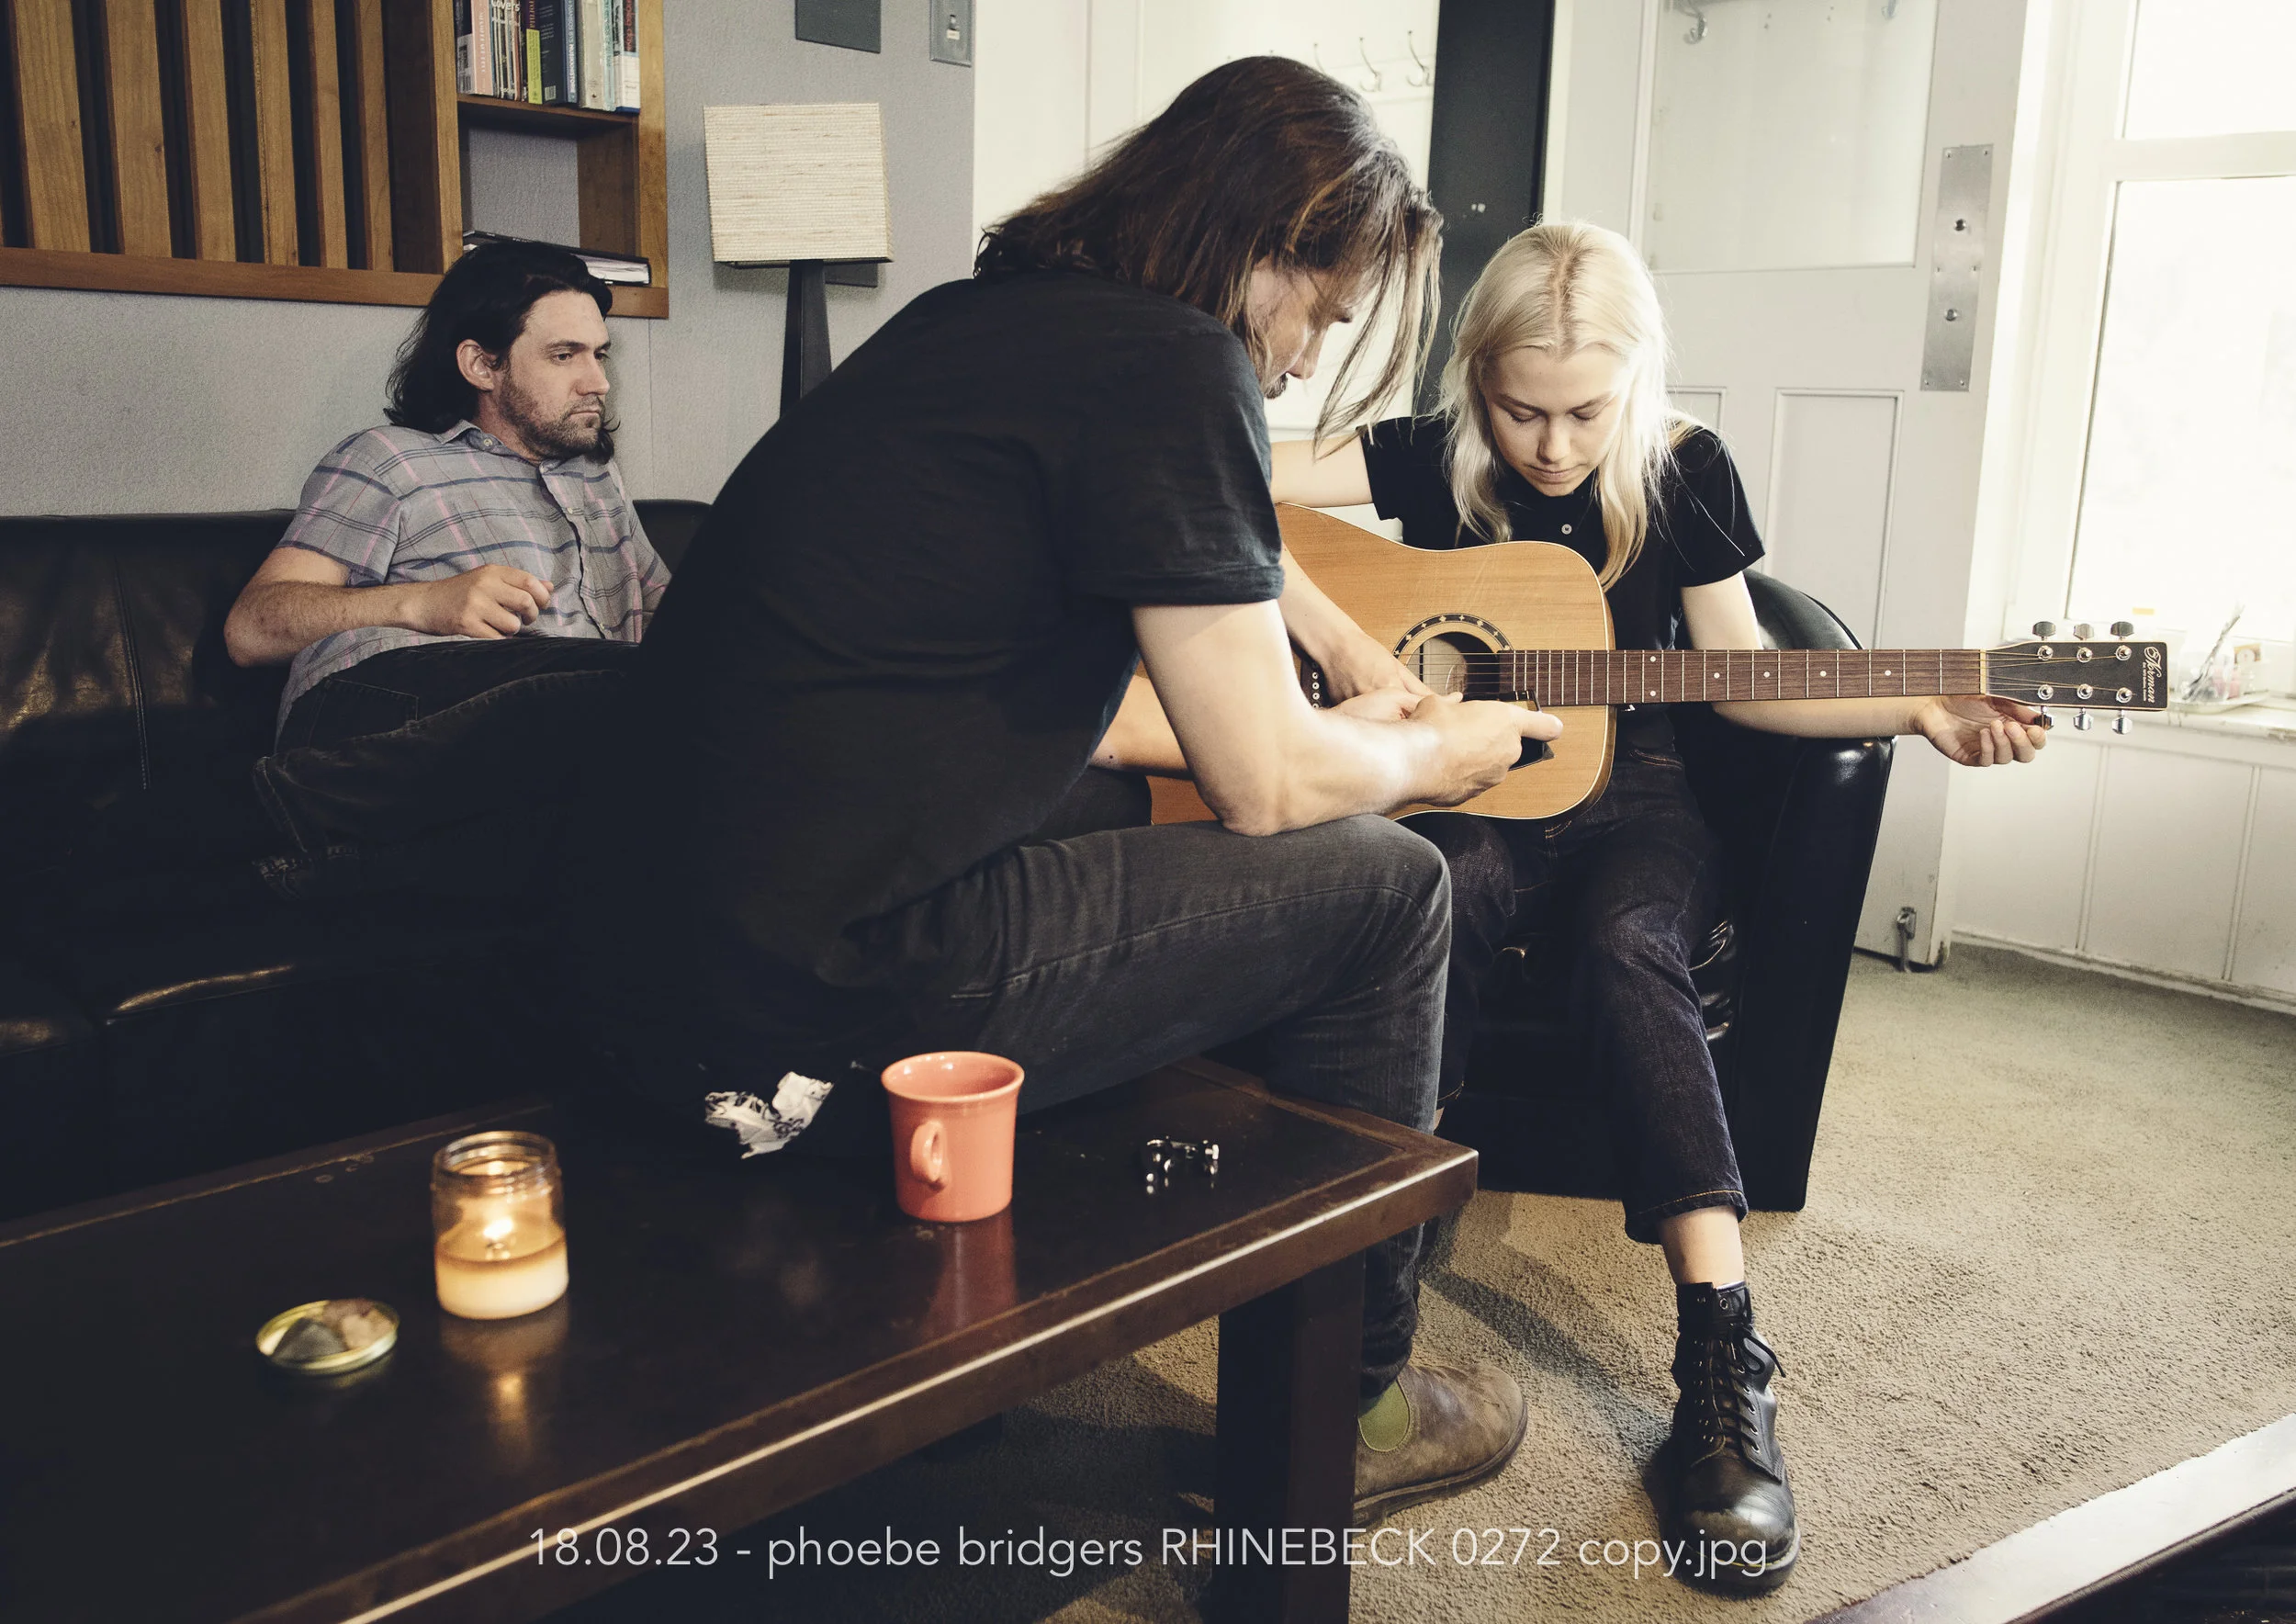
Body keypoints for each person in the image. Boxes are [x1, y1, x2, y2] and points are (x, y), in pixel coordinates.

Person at [600, 58, 1557, 1523]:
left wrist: (1356, 649)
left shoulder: (975, 331)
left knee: (1109, 805)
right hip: (832, 997)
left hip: (669, 963)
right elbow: (1267, 781)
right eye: (1323, 310)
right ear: (1262, 250)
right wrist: (1437, 755)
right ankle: (1350, 1407)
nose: (1303, 362)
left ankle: (941, 1327)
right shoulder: (1177, 366)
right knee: (1387, 884)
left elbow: (1172, 595)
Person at [1266, 220, 2048, 1590]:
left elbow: (1742, 671)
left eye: (1585, 413)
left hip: (1644, 788)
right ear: (1476, 379)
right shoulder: (1428, 451)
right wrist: (1334, 651)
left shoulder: (1683, 468)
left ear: (1637, 385)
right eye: (1522, 411)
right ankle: (1363, 1325)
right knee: (1426, 896)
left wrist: (1925, 701)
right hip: (1476, 787)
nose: (1554, 447)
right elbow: (1223, 482)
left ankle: (1721, 1356)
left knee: (1634, 945)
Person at [224, 240, 668, 898]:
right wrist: (422, 602)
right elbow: (251, 630)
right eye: (563, 355)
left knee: (665, 703)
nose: (597, 380)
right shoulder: (389, 460)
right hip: (372, 702)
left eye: (598, 354)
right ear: (481, 365)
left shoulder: (597, 478)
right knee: (611, 692)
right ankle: (271, 804)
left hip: (547, 724)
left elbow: (668, 615)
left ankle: (318, 859)